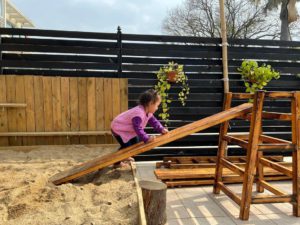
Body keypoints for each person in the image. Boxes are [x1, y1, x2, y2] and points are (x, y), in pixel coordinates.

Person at [111, 89, 169, 167]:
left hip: (127, 129)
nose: (157, 108)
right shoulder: (139, 113)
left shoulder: (148, 112)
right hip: (119, 128)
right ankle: (117, 162)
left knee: (135, 143)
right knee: (127, 147)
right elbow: (137, 128)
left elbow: (154, 121)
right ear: (150, 103)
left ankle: (126, 155)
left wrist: (161, 129)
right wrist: (147, 138)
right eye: (157, 105)